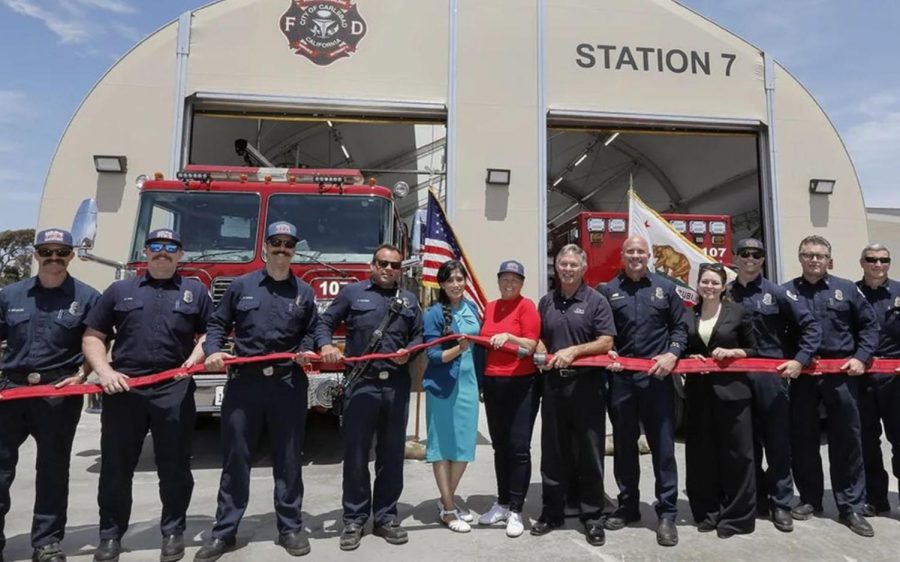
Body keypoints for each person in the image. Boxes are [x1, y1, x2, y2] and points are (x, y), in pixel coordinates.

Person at [82, 229, 211, 562]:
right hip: (126, 389)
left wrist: (194, 359)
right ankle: (110, 535)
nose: (163, 253)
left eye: (171, 247)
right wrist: (105, 372)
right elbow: (94, 335)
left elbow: (212, 331)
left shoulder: (195, 291)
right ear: (146, 251)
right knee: (116, 467)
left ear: (180, 254)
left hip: (174, 389)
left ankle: (173, 532)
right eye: (156, 246)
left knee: (175, 467)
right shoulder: (118, 290)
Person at [195, 221, 318, 561]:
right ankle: (225, 531)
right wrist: (214, 351)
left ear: (294, 249)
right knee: (236, 458)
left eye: (288, 244)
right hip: (244, 383)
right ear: (265, 247)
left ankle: (291, 527)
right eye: (276, 243)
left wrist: (306, 349)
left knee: (290, 459)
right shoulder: (241, 286)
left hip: (287, 384)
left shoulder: (304, 292)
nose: (282, 250)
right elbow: (218, 324)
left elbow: (313, 329)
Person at [0, 229, 99, 562]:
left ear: (71, 254)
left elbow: (96, 340)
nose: (54, 258)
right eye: (47, 251)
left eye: (62, 252)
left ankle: (47, 542)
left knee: (53, 470)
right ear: (36, 254)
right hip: (11, 391)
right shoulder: (10, 295)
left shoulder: (87, 297)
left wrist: (83, 374)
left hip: (59, 393)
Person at [316, 244, 422, 551]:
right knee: (357, 455)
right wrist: (326, 346)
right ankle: (354, 518)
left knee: (391, 456)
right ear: (372, 265)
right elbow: (324, 323)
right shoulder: (352, 294)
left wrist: (410, 353)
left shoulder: (410, 300)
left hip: (396, 387)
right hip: (362, 385)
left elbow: (418, 336)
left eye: (395, 265)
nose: (389, 268)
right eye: (383, 263)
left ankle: (386, 517)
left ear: (401, 270)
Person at [786, 235, 879, 537]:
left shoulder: (847, 289)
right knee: (803, 439)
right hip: (802, 377)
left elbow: (869, 326)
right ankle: (810, 499)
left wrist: (862, 358)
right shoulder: (787, 292)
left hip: (841, 375)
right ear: (800, 258)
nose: (814, 260)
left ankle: (850, 505)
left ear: (830, 260)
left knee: (847, 440)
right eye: (808, 255)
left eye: (820, 255)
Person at [597, 235, 687, 547]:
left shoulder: (666, 288)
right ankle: (628, 505)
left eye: (640, 251)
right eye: (630, 251)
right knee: (624, 446)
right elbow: (603, 332)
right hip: (622, 381)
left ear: (649, 255)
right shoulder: (609, 290)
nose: (635, 256)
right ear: (622, 256)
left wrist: (673, 353)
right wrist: (608, 353)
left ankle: (667, 513)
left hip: (657, 379)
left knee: (663, 447)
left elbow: (680, 328)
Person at [727, 238, 821, 532]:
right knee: (746, 443)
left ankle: (781, 503)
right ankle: (756, 499)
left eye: (757, 254)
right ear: (736, 257)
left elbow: (811, 326)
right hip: (737, 378)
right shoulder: (726, 293)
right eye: (745, 254)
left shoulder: (778, 293)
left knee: (777, 442)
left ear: (763, 259)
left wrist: (799, 360)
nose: (751, 258)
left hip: (771, 378)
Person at [531, 244, 615, 547]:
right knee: (553, 452)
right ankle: (552, 511)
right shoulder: (546, 301)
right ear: (557, 268)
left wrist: (575, 350)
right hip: (553, 387)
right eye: (562, 264)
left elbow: (606, 341)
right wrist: (539, 344)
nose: (567, 269)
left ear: (583, 268)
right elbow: (538, 333)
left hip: (587, 388)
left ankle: (592, 515)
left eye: (573, 265)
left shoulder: (596, 301)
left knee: (590, 452)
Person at [684, 262, 758, 538]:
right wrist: (689, 357)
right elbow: (684, 345)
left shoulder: (737, 312)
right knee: (702, 455)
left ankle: (737, 517)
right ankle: (707, 512)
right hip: (699, 393)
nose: (709, 287)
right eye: (705, 282)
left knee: (738, 455)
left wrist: (734, 352)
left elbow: (754, 348)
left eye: (715, 282)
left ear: (724, 286)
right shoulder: (689, 313)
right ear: (698, 285)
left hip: (733, 394)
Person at [477, 260, 541, 538]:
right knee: (500, 447)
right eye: (505, 278)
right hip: (494, 382)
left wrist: (509, 336)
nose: (509, 283)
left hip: (521, 383)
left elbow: (531, 343)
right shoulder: (490, 307)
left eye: (515, 279)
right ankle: (502, 503)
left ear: (522, 283)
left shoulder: (527, 306)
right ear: (499, 279)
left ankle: (516, 509)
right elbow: (482, 343)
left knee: (518, 447)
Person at [422, 260, 484, 533]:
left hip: (469, 386)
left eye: (460, 279)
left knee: (463, 447)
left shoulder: (472, 309)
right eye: (451, 280)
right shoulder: (434, 314)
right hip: (444, 387)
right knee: (441, 447)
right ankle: (448, 509)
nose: (457, 285)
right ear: (442, 284)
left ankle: (445, 499)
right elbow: (433, 356)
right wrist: (459, 349)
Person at [855, 243, 900, 517]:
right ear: (862, 263)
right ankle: (876, 499)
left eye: (884, 260)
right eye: (872, 259)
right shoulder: (852, 292)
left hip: (896, 380)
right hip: (863, 378)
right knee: (867, 442)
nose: (878, 264)